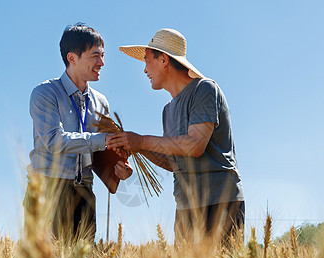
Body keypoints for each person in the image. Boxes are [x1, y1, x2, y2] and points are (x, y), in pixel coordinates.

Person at [107, 28, 244, 244]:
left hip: (219, 204)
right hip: (185, 207)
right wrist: (137, 148)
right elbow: (173, 162)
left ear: (163, 59)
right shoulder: (168, 110)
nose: (144, 70)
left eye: (146, 60)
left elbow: (195, 145)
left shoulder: (205, 90)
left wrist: (141, 140)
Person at [25, 24, 133, 243]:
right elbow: (54, 141)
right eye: (95, 56)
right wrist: (103, 140)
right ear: (72, 58)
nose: (102, 63)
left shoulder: (101, 102)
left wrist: (118, 169)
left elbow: (98, 153)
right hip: (48, 189)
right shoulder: (45, 93)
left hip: (85, 192)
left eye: (103, 56)